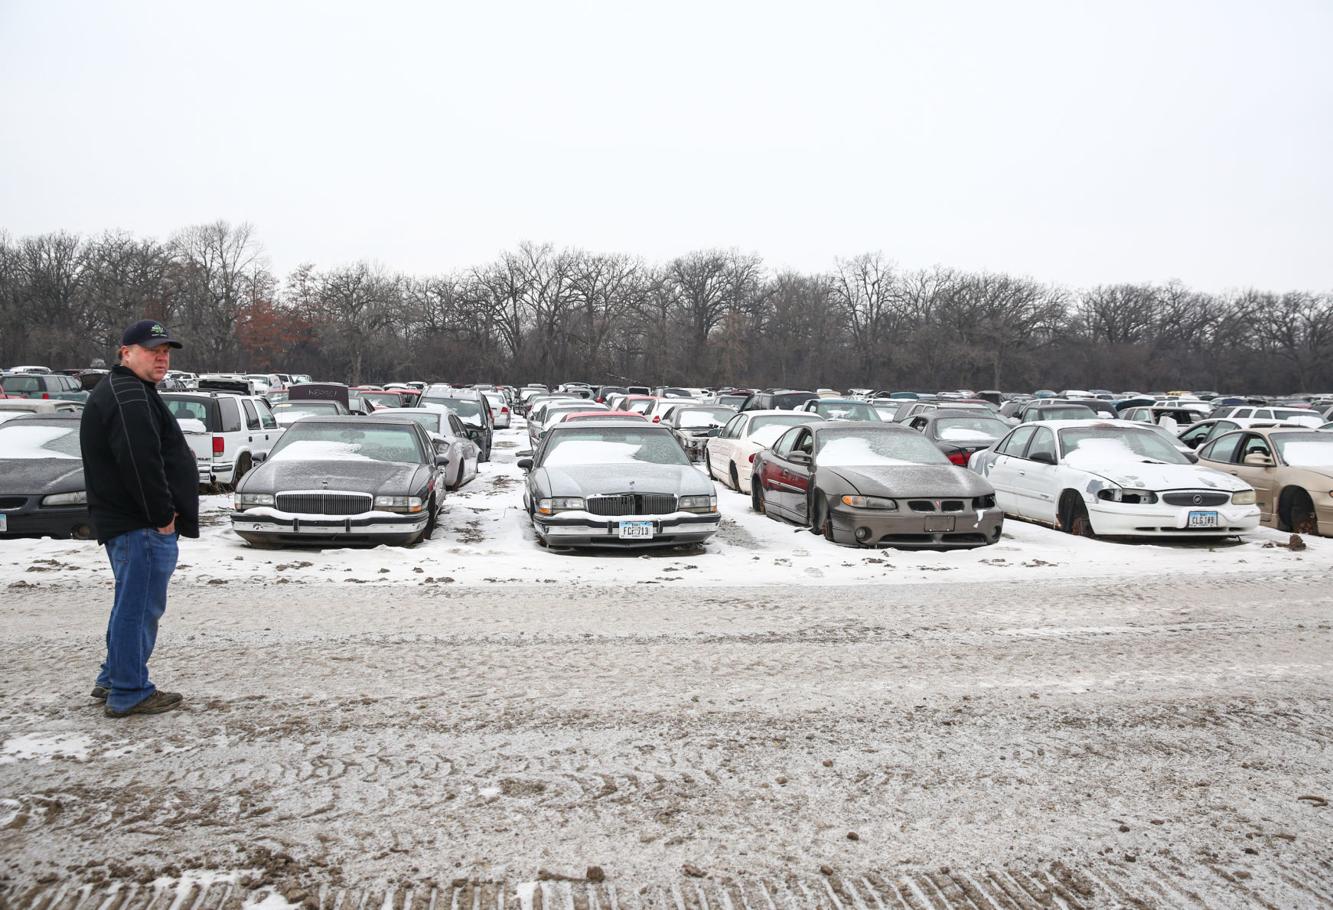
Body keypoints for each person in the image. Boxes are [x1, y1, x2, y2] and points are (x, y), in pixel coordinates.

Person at [80, 320, 199, 718]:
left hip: (130, 522)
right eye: (152, 350)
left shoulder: (127, 389)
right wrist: (162, 516)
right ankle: (129, 690)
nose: (161, 358)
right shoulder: (129, 395)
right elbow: (139, 462)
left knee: (129, 604)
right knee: (139, 609)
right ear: (126, 352)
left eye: (165, 352)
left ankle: (113, 677)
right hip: (140, 525)